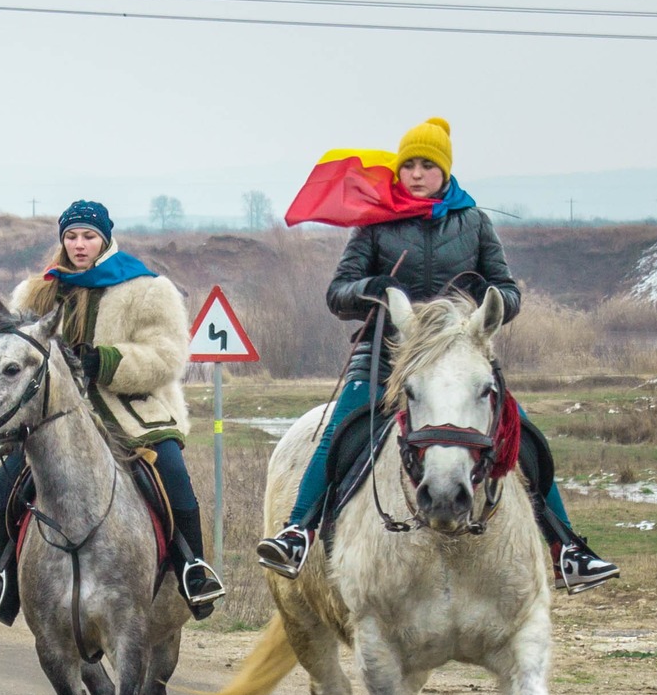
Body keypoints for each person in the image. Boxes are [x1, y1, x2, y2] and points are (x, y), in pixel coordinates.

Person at [255, 117, 619, 592]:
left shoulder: (475, 223)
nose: (417, 173)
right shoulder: (376, 224)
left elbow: (508, 290)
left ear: (445, 171)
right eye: (409, 165)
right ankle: (297, 532)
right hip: (387, 359)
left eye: (428, 165)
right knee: (338, 434)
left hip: (460, 357)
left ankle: (568, 550)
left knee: (524, 437)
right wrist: (373, 288)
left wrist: (493, 304)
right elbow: (337, 293)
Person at [0, 200, 227, 623]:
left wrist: (103, 362)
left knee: (171, 475)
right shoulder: (37, 291)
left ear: (104, 237)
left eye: (88, 236)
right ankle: (5, 581)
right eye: (71, 236)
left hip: (130, 413)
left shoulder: (147, 289)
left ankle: (194, 571)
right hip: (55, 418)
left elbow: (167, 356)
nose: (79, 244)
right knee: (7, 481)